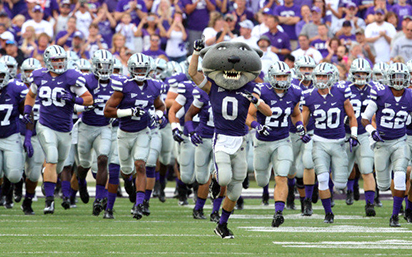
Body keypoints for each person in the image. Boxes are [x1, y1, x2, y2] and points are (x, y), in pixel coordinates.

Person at [188, 39, 272, 238]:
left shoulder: (252, 87)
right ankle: (214, 181)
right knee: (224, 177)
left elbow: (267, 112)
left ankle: (222, 225)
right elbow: (193, 73)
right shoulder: (214, 87)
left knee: (235, 190)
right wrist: (196, 52)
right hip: (222, 139)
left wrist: (257, 102)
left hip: (241, 141)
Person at [23, 45, 93, 214]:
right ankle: (49, 201)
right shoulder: (39, 75)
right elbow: (31, 95)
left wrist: (74, 99)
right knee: (52, 158)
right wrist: (27, 110)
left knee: (59, 166)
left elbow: (89, 99)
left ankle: (47, 177)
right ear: (48, 60)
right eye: (56, 59)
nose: (60, 62)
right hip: (45, 125)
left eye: (62, 59)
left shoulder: (72, 77)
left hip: (65, 128)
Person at [247, 61, 310, 227]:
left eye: (284, 76)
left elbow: (296, 115)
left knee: (281, 175)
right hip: (262, 142)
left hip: (283, 140)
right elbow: (248, 116)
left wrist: (300, 128)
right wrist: (257, 127)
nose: (282, 79)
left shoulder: (295, 92)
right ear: (271, 77)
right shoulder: (261, 91)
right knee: (261, 180)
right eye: (278, 76)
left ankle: (278, 212)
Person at [104, 53, 165, 220]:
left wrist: (159, 115)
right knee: (126, 171)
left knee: (140, 165)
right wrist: (129, 112)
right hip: (124, 133)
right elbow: (107, 111)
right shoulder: (123, 85)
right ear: (131, 69)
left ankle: (139, 204)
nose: (140, 71)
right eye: (137, 69)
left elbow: (161, 106)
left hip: (142, 132)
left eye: (143, 69)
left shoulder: (153, 86)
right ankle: (122, 195)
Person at [301, 62, 358, 223]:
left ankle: (334, 194)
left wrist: (353, 135)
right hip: (319, 142)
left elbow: (352, 116)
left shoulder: (341, 92)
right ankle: (328, 213)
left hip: (339, 142)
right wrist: (302, 133)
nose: (321, 79)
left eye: (324, 76)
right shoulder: (309, 95)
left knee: (340, 184)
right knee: (323, 177)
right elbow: (302, 121)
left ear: (331, 77)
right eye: (318, 75)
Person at [361, 63, 412, 227]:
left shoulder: (410, 95)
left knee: (400, 177)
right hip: (382, 143)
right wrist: (371, 131)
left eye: (402, 77)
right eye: (395, 76)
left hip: (400, 141)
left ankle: (395, 215)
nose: (398, 80)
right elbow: (365, 118)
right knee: (382, 185)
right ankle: (394, 208)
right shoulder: (381, 93)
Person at [75, 50, 117, 216]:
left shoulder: (117, 83)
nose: (105, 69)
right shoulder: (85, 81)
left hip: (104, 127)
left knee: (102, 158)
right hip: (86, 126)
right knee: (84, 164)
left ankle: (99, 198)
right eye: (101, 65)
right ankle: (80, 181)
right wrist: (85, 106)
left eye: (107, 65)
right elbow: (73, 103)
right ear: (94, 65)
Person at [343, 58, 377, 216]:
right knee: (344, 169)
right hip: (346, 132)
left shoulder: (375, 89)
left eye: (364, 73)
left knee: (367, 169)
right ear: (352, 74)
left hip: (364, 133)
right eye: (358, 73)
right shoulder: (344, 88)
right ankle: (349, 189)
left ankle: (370, 203)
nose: (361, 75)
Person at [290, 56, 317, 216]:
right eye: (303, 68)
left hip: (311, 131)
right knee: (290, 168)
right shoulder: (290, 85)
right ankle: (289, 196)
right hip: (291, 131)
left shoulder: (319, 85)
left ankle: (306, 202)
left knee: (308, 164)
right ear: (297, 69)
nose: (307, 72)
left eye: (310, 68)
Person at [19, 58, 43, 215]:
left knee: (34, 173)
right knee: (13, 170)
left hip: (38, 134)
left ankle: (27, 200)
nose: (30, 74)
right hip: (16, 133)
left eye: (33, 71)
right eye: (27, 71)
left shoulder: (45, 88)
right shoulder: (15, 88)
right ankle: (10, 192)